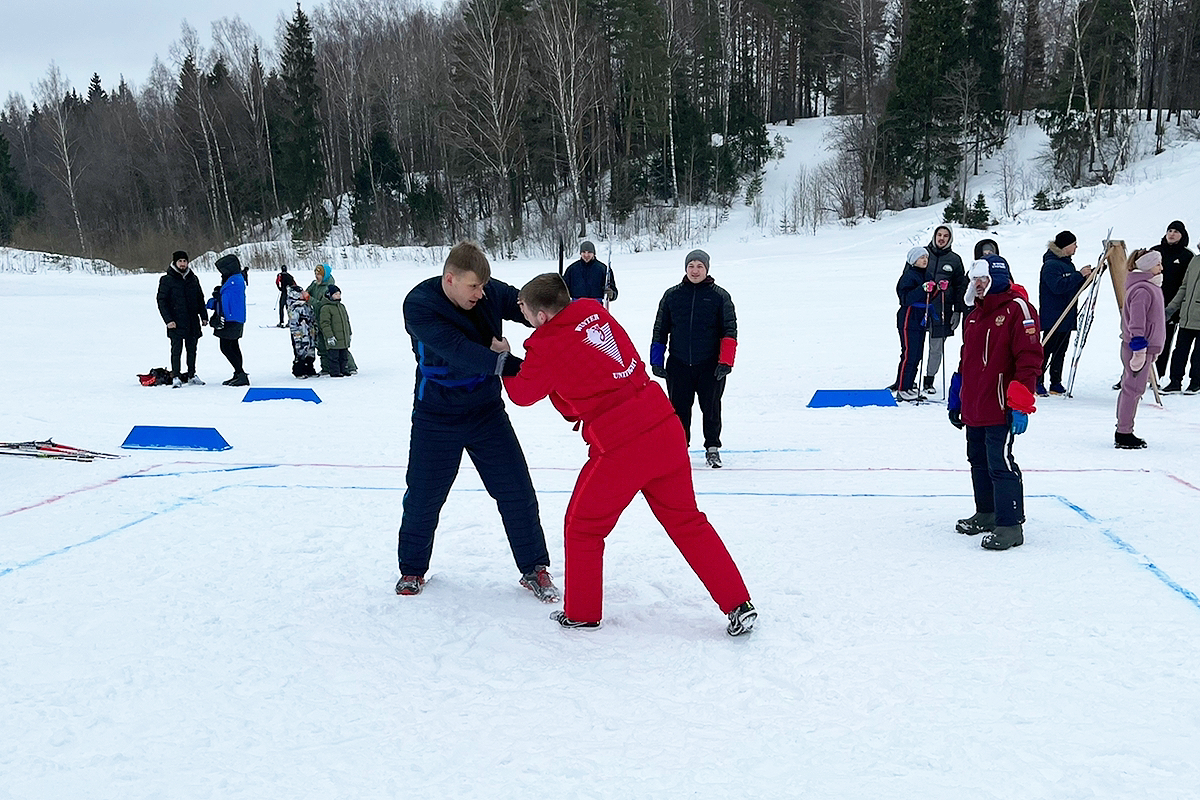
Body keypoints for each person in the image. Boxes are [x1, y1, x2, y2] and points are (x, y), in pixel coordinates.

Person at [500, 273, 757, 636]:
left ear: (541, 316)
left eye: (524, 310)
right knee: (688, 522)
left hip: (622, 444)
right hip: (664, 426)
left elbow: (523, 394)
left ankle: (582, 613)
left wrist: (504, 360)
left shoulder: (547, 344)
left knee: (583, 527)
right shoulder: (591, 309)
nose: (522, 315)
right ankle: (738, 604)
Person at [396, 241, 558, 602]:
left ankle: (534, 568)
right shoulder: (419, 305)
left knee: (516, 490)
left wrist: (563, 315)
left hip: (485, 412)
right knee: (424, 496)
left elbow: (529, 306)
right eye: (473, 287)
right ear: (450, 279)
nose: (481, 294)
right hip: (435, 416)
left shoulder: (486, 291)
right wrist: (518, 364)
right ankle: (412, 568)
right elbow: (460, 352)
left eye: (484, 287)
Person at [948, 259, 1043, 551]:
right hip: (975, 403)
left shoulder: (1018, 309)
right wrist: (957, 394)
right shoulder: (975, 315)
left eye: (983, 279)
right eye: (974, 279)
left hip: (1000, 405)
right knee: (977, 459)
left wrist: (1020, 404)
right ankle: (986, 512)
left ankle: (1010, 524)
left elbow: (1029, 360)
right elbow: (967, 358)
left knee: (999, 462)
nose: (977, 284)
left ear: (997, 278)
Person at [648, 249, 738, 468]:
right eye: (691, 266)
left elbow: (729, 329)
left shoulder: (719, 296)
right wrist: (656, 360)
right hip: (678, 363)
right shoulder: (672, 295)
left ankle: (712, 448)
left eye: (699, 266)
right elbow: (660, 329)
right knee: (678, 409)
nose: (695, 270)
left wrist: (726, 361)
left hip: (710, 364)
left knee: (711, 407)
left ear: (706, 269)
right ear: (685, 268)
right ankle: (679, 449)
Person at [1115, 249, 1167, 447]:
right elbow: (1137, 322)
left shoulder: (1148, 287)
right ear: (1146, 266)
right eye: (1157, 264)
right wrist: (1139, 349)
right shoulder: (1143, 290)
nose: (1161, 267)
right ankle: (1124, 432)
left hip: (1145, 348)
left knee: (1131, 388)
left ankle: (1123, 427)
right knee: (1133, 389)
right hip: (1139, 348)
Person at [1038, 231, 1094, 395]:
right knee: (1047, 349)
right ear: (1066, 245)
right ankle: (1037, 381)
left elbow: (1072, 288)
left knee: (1061, 350)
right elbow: (1057, 287)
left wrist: (1087, 277)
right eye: (1074, 244)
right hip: (1054, 315)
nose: (1076, 247)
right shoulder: (1051, 265)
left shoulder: (1066, 263)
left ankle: (1056, 382)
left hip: (1067, 315)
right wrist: (1078, 275)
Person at [922, 225, 967, 394]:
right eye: (939, 235)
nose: (941, 238)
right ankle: (908, 379)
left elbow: (959, 288)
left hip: (943, 310)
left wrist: (957, 311)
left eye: (945, 236)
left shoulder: (955, 260)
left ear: (950, 239)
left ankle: (929, 380)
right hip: (920, 308)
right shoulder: (922, 254)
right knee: (915, 346)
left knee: (936, 347)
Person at [156, 250, 208, 388]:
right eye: (180, 261)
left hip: (192, 321)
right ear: (175, 262)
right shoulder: (166, 280)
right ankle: (176, 377)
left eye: (185, 261)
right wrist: (168, 320)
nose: (183, 264)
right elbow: (162, 301)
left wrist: (203, 316)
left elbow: (199, 298)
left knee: (192, 350)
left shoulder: (193, 278)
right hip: (176, 322)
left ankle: (191, 374)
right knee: (176, 350)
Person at [892, 246, 935, 401]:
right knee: (909, 354)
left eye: (926, 257)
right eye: (921, 257)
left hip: (921, 317)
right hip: (908, 318)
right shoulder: (908, 276)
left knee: (917, 354)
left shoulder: (927, 274)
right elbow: (905, 298)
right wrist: (922, 289)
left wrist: (938, 289)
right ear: (913, 260)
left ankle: (909, 386)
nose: (925, 260)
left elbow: (930, 295)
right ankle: (902, 387)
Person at [208, 253, 249, 387]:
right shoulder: (235, 279)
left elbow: (225, 300)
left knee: (226, 346)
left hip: (231, 318)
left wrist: (216, 304)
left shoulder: (234, 281)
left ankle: (240, 373)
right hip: (235, 317)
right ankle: (238, 374)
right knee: (232, 345)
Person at [1163, 245, 1200, 394]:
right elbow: (1184, 286)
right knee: (1179, 351)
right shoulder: (1195, 260)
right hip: (1186, 315)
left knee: (1198, 353)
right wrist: (1171, 308)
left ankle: (1196, 382)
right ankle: (1175, 381)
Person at [318, 284, 353, 377]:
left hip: (343, 337)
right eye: (336, 294)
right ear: (330, 295)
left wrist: (349, 333)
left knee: (343, 356)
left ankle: (344, 369)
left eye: (339, 294)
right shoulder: (326, 308)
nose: (338, 296)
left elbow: (346, 321)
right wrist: (329, 336)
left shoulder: (341, 307)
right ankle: (335, 372)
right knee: (334, 356)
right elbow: (325, 324)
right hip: (334, 337)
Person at [285, 279, 317, 378]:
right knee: (300, 350)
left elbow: (312, 316)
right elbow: (294, 322)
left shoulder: (306, 305)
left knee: (310, 350)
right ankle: (299, 370)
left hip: (309, 331)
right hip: (299, 333)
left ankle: (309, 368)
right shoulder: (294, 307)